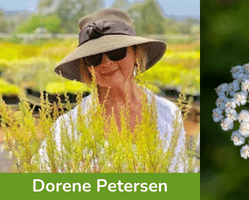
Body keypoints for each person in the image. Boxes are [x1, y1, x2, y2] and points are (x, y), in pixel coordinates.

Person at [38, 8, 187, 173]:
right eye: (93, 57)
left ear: (136, 52)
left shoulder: (168, 114)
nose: (105, 62)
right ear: (86, 67)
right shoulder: (67, 127)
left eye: (116, 51)